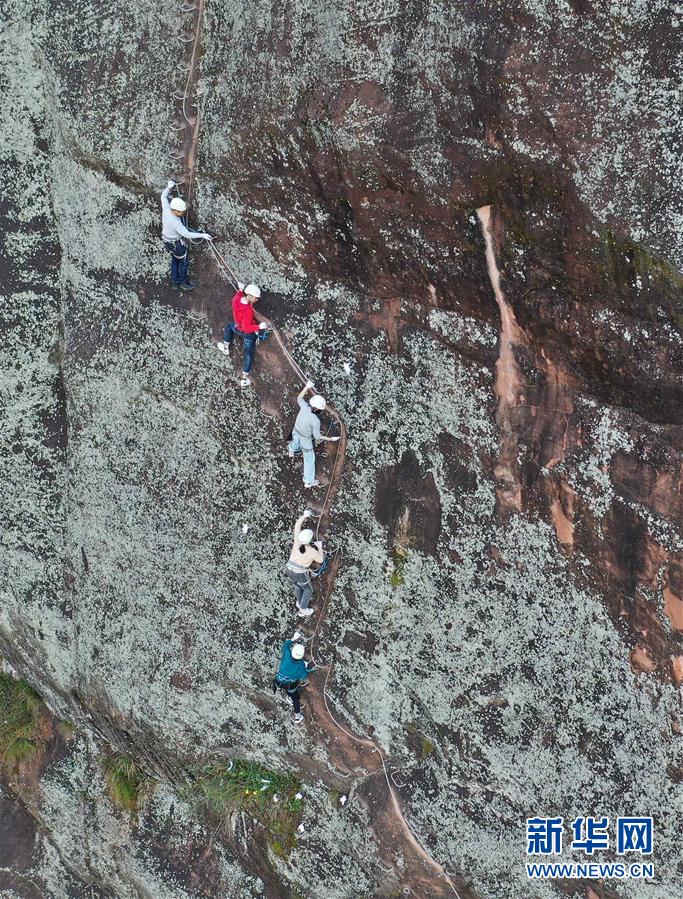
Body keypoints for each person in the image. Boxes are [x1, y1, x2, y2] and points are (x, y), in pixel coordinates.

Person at [160, 180, 212, 291]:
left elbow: (163, 198)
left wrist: (168, 187)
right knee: (183, 261)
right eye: (181, 212)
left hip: (166, 241)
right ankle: (182, 282)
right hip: (176, 244)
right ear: (175, 211)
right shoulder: (176, 222)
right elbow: (186, 234)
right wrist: (202, 235)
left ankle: (174, 282)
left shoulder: (166, 209)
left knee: (174, 260)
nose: (183, 213)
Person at [216, 283, 270, 387]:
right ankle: (244, 378)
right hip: (247, 333)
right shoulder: (248, 310)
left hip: (237, 327)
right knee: (248, 353)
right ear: (249, 295)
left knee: (229, 326)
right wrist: (259, 327)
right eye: (256, 298)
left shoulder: (237, 299)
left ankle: (225, 347)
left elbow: (237, 296)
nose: (257, 300)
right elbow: (246, 327)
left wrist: (240, 289)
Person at [288, 382, 340, 488]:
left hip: (295, 431)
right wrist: (330, 438)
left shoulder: (304, 407)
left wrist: (307, 386)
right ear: (317, 409)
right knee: (309, 459)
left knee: (295, 442)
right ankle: (308, 481)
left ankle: (292, 450)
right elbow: (317, 437)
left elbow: (299, 398)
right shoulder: (315, 421)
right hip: (305, 440)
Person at [286, 510, 324, 618]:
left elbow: (297, 525)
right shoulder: (311, 551)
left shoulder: (297, 542)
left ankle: (299, 602)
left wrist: (304, 516)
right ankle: (303, 609)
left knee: (297, 587)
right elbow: (320, 560)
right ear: (309, 540)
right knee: (308, 589)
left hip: (289, 569)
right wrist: (320, 547)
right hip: (299, 573)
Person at [272, 636, 314, 723]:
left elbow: (285, 646)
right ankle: (297, 717)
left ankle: (290, 698)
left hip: (278, 680)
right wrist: (308, 667)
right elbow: (304, 676)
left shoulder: (287, 654)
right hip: (290, 685)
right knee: (295, 698)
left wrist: (293, 638)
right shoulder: (301, 665)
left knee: (288, 688)